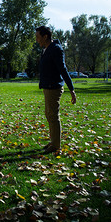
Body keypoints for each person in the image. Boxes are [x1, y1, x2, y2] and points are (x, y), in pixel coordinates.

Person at [35, 26, 77, 154]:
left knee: (53, 115)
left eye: (38, 37)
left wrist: (72, 89)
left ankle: (56, 145)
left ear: (45, 36)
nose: (36, 40)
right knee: (49, 114)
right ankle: (54, 141)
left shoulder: (56, 49)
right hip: (47, 86)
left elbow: (63, 69)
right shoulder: (46, 49)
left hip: (54, 87)